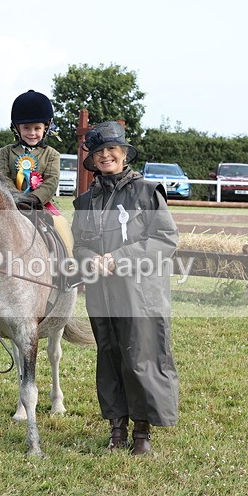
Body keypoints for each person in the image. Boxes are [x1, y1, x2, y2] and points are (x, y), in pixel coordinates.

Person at [70, 121, 180, 455]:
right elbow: (79, 245)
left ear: (123, 153)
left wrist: (119, 257)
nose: (106, 156)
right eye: (99, 152)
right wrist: (91, 257)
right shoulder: (86, 201)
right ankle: (116, 430)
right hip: (102, 293)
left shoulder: (147, 192)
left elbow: (165, 239)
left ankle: (142, 434)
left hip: (140, 292)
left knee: (140, 358)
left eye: (111, 150)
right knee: (110, 357)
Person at [0, 89, 74, 256]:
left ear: (45, 128)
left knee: (62, 226)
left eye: (37, 128)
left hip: (40, 205)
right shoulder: (6, 152)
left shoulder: (52, 154)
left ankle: (69, 264)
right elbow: (2, 176)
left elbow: (51, 182)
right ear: (17, 128)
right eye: (26, 128)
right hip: (10, 204)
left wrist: (33, 199)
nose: (32, 133)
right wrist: (15, 198)